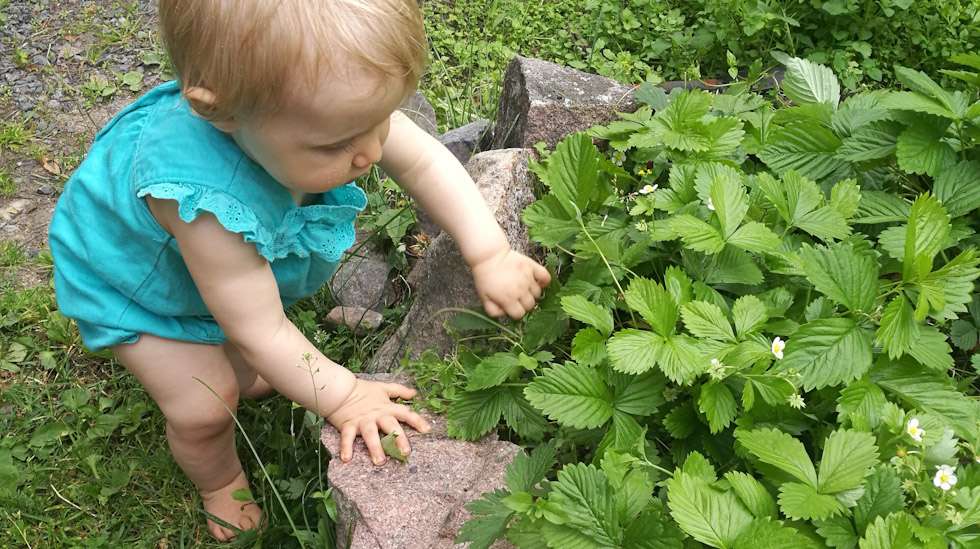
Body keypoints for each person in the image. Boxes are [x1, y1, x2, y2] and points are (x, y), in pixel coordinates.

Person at [48, 0, 551, 540]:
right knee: (206, 402)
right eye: (336, 143)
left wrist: (489, 252)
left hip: (208, 277)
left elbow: (425, 160)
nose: (370, 151)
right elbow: (258, 328)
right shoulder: (202, 204)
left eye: (379, 121)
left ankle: (248, 370)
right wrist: (344, 394)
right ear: (219, 111)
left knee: (245, 364)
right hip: (136, 288)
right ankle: (220, 482)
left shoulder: (323, 114)